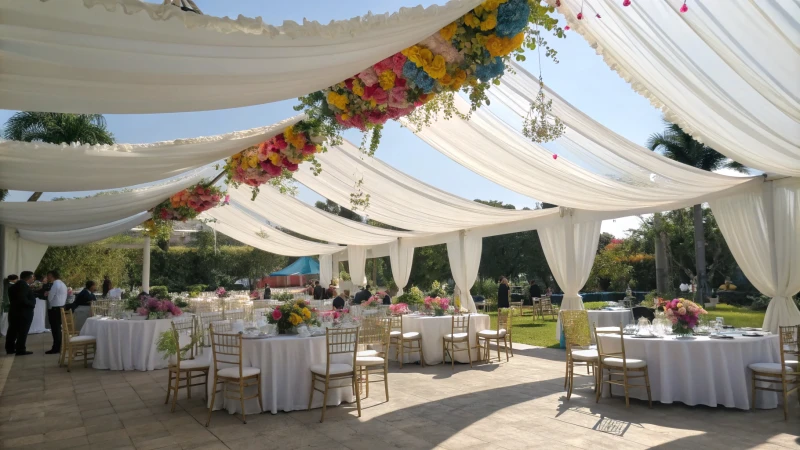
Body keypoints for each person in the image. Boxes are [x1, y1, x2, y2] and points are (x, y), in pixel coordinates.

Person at [6, 271, 36, 355]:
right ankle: (20, 349)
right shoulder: (23, 286)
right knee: (22, 331)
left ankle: (10, 348)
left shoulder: (14, 286)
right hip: (24, 312)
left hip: (14, 311)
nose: (33, 279)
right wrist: (32, 303)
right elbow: (23, 299)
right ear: (29, 278)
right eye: (32, 277)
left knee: (12, 330)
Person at [44, 270, 68, 355]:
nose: (47, 278)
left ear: (51, 275)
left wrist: (48, 294)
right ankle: (59, 346)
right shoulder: (62, 284)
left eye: (48, 276)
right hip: (61, 307)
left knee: (55, 329)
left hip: (55, 308)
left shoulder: (55, 284)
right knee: (58, 328)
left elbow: (50, 297)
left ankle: (56, 347)